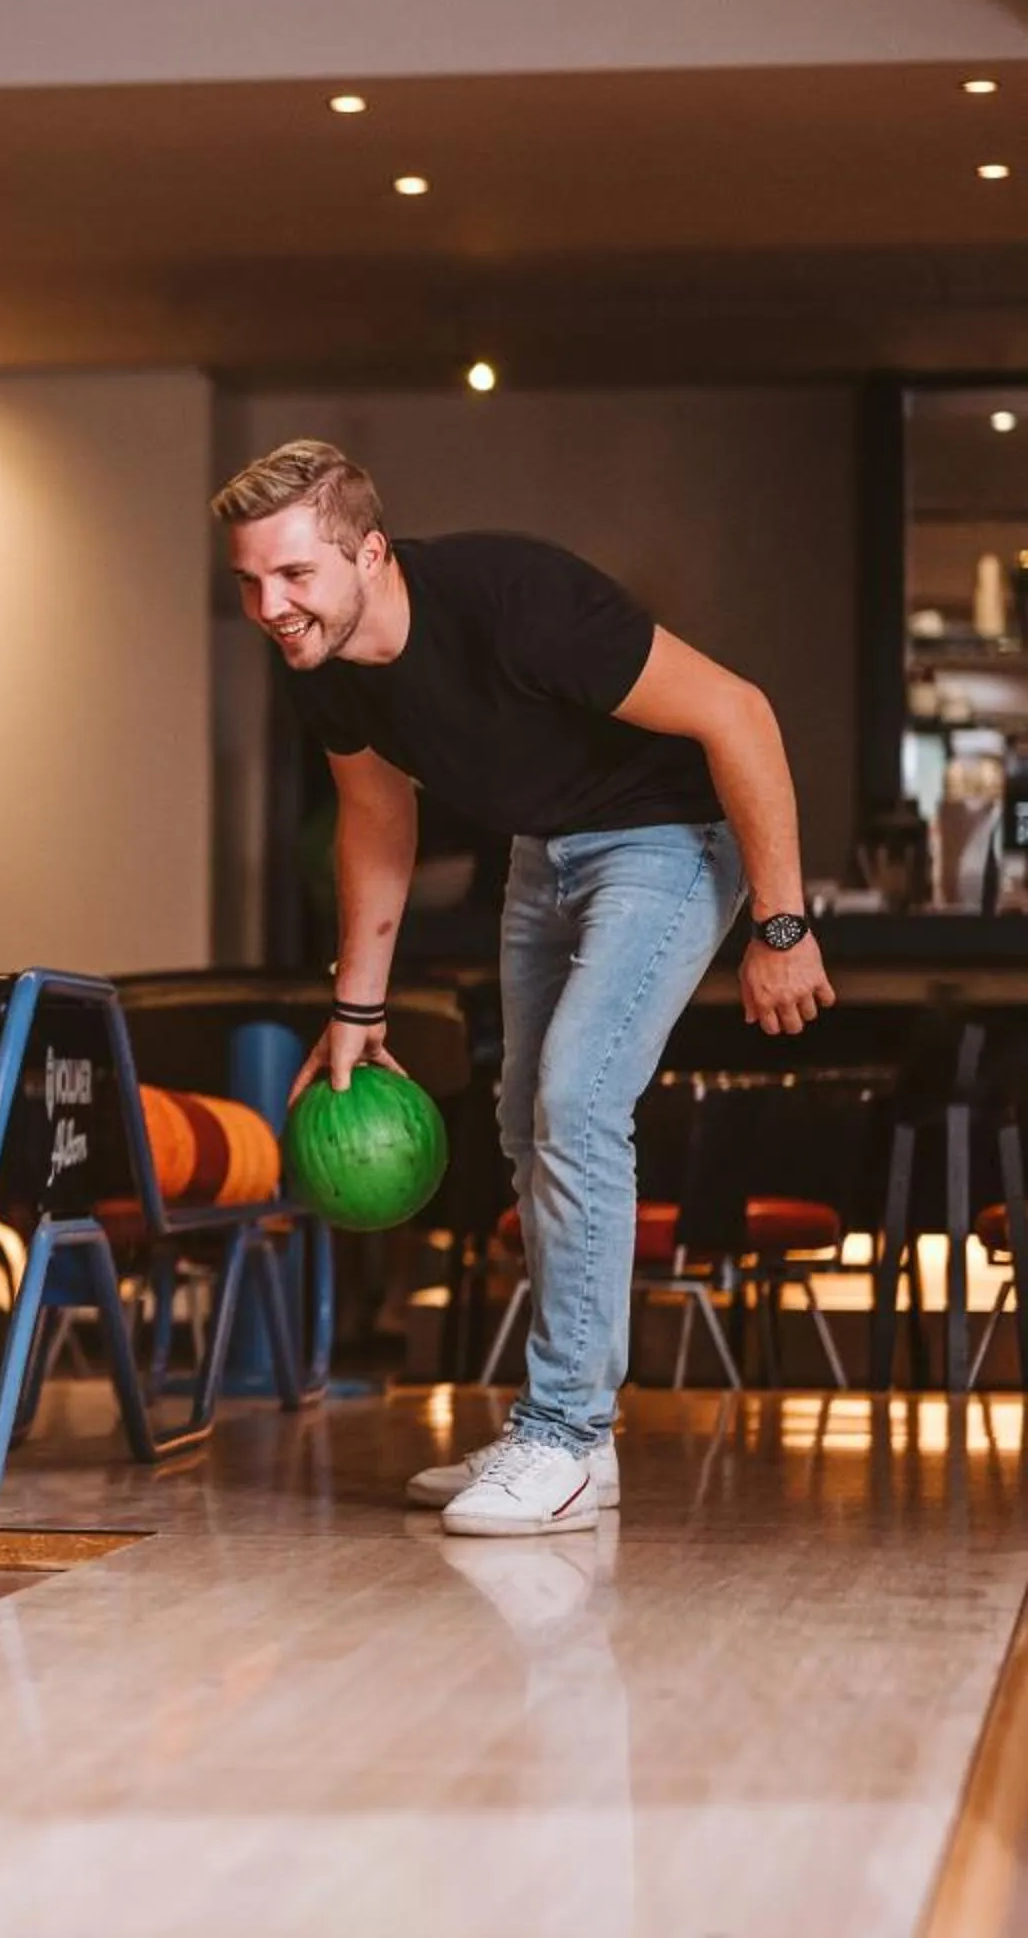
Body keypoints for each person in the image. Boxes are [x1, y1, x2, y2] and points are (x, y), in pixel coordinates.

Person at [214, 441, 832, 1538]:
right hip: (545, 855)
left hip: (669, 840)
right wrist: (358, 1011)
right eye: (251, 581)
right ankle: (569, 1443)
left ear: (370, 551)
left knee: (579, 1105)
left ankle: (567, 1434)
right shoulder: (322, 662)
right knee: (524, 1124)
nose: (271, 605)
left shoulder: (518, 599)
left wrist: (782, 924)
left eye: (295, 576)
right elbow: (375, 816)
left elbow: (740, 713)